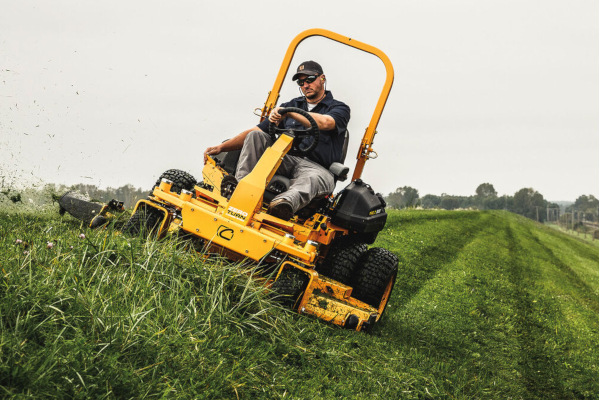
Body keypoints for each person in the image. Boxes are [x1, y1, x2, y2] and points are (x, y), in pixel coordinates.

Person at [203, 61, 350, 220]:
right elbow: (257, 130)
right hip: (284, 159)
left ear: (322, 78)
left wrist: (289, 113)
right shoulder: (291, 105)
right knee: (255, 136)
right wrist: (221, 147)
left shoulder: (339, 108)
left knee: (313, 179)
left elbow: (325, 123)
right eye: (301, 82)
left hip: (317, 168)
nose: (305, 85)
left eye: (309, 79)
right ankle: (239, 188)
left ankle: (282, 205)